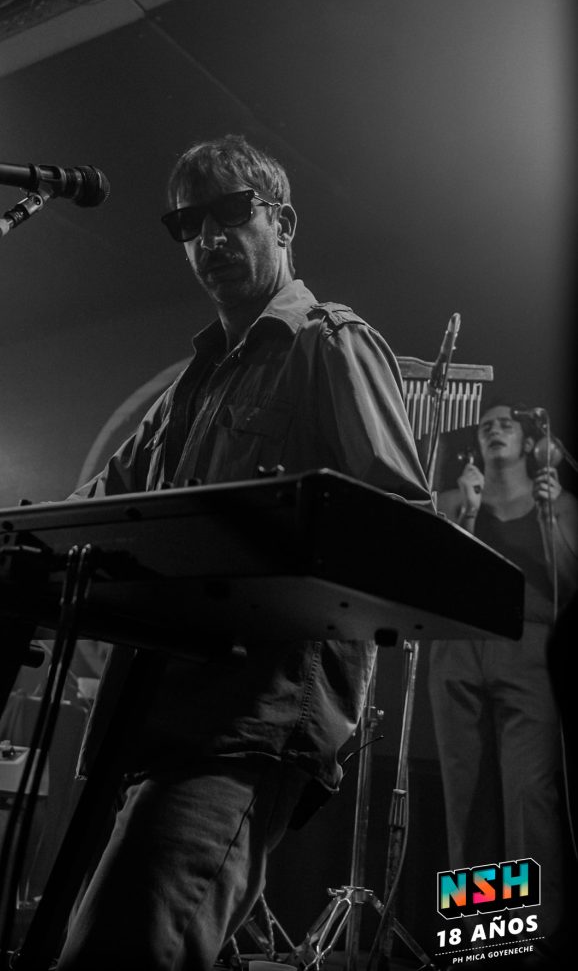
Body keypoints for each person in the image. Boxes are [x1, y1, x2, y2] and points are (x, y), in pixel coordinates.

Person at [56, 133, 433, 970]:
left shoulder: (329, 343)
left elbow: (400, 531)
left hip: (248, 718)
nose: (208, 237)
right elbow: (94, 508)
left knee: (121, 948)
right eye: (187, 223)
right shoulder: (188, 387)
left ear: (283, 223)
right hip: (158, 717)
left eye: (230, 212)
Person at [428, 401, 578, 964]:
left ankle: (528, 943)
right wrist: (466, 516)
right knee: (467, 800)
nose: (495, 429)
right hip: (457, 643)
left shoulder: (558, 501)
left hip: (527, 646)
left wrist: (551, 518)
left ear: (528, 440)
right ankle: (479, 941)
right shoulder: (452, 499)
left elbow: (569, 585)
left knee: (528, 796)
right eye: (486, 424)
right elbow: (433, 578)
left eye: (506, 424)